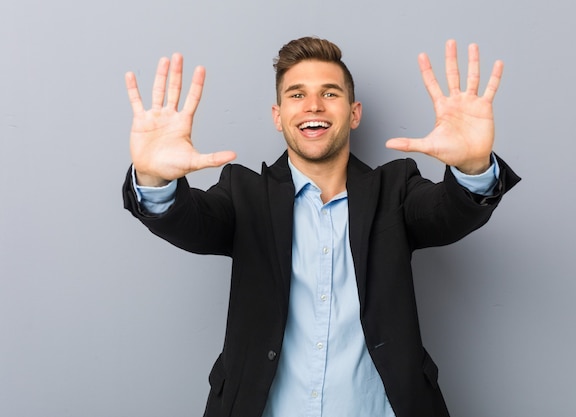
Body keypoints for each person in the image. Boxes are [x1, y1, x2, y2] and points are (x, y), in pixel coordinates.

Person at [122, 36, 520, 417]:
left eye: (330, 93)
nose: (313, 105)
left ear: (354, 112)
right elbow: (191, 222)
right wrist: (156, 180)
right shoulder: (244, 193)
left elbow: (447, 213)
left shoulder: (395, 188)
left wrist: (473, 167)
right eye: (296, 94)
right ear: (278, 116)